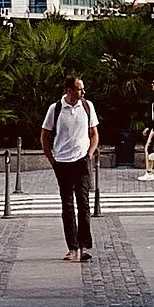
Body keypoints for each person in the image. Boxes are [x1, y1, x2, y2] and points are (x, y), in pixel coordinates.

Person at [41, 73, 99, 257]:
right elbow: (44, 135)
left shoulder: (87, 106)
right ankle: (72, 247)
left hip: (81, 160)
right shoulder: (56, 108)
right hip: (63, 162)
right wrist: (52, 159)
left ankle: (83, 246)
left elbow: (94, 133)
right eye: (80, 89)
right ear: (69, 90)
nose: (83, 91)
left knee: (83, 203)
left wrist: (89, 154)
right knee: (67, 205)